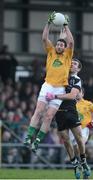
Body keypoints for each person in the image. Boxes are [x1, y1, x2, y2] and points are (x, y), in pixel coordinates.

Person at [24, 11, 74, 153]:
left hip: (59, 90)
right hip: (48, 86)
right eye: (57, 44)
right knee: (39, 111)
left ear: (64, 48)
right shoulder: (51, 51)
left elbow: (71, 42)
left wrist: (65, 25)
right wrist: (48, 23)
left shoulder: (67, 55)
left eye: (61, 45)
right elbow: (45, 37)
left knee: (49, 116)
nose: (59, 46)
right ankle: (28, 137)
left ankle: (37, 141)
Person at [46, 59, 91, 179]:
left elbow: (71, 95)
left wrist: (54, 96)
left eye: (75, 64)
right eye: (71, 63)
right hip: (59, 112)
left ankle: (83, 161)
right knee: (66, 140)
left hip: (71, 111)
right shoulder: (61, 76)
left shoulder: (77, 80)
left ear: (79, 69)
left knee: (79, 139)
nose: (72, 64)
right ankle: (75, 164)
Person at [69, 87, 93, 160]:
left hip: (84, 128)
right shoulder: (70, 103)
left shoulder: (88, 104)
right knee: (74, 147)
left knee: (79, 144)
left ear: (82, 94)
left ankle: (83, 161)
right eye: (76, 92)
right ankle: (80, 161)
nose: (77, 94)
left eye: (79, 92)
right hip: (72, 128)